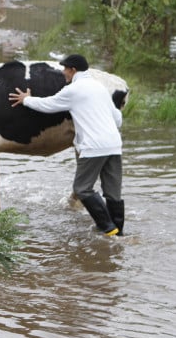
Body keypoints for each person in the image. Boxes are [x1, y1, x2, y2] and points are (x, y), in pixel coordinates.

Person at [8, 54, 125, 236]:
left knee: (82, 189)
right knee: (113, 192)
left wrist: (26, 99)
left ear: (73, 70)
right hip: (114, 145)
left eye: (65, 69)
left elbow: (49, 105)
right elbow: (117, 118)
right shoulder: (99, 87)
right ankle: (119, 234)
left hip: (93, 147)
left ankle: (108, 229)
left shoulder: (73, 90)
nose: (63, 72)